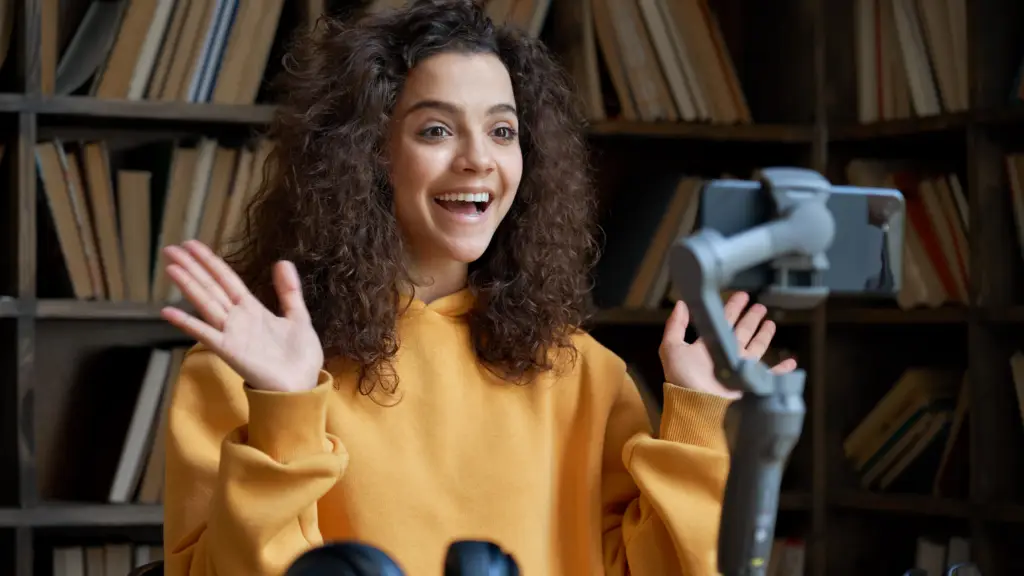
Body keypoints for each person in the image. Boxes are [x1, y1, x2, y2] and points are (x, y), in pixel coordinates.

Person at [159, 0, 798, 574]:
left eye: (502, 130)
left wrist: (695, 420)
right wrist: (285, 407)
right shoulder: (240, 371)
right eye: (436, 130)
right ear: (367, 154)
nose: (478, 159)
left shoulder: (586, 376)